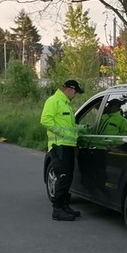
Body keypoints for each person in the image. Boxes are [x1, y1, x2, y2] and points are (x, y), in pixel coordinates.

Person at [40, 79, 86, 221]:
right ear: (69, 89)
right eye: (75, 92)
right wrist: (61, 133)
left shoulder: (66, 105)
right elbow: (45, 120)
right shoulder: (54, 101)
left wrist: (82, 129)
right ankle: (57, 209)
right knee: (63, 177)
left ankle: (64, 205)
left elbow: (70, 127)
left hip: (67, 146)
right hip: (59, 146)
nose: (75, 95)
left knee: (68, 177)